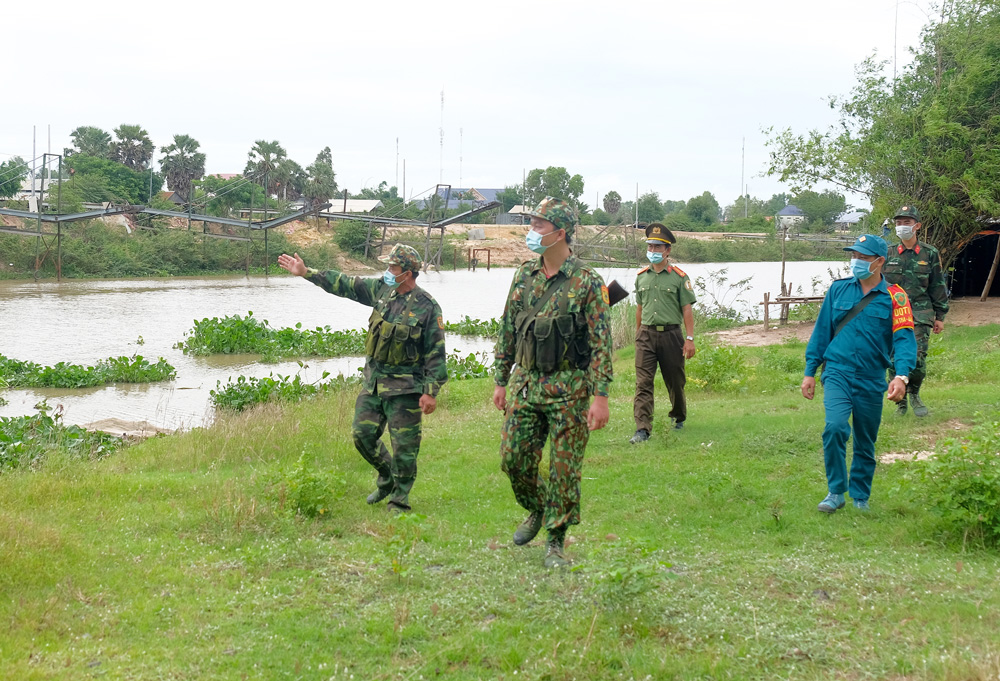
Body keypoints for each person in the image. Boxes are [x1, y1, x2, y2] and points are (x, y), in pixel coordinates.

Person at [277, 244, 447, 513]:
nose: (388, 272)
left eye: (394, 268)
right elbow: (344, 284)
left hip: (406, 389)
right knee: (362, 435)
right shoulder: (380, 290)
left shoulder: (427, 307)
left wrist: (431, 391)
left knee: (405, 448)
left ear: (409, 272)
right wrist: (307, 272)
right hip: (374, 384)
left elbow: (436, 353)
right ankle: (388, 476)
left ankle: (399, 500)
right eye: (388, 266)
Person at [492, 196, 613, 568]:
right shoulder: (523, 276)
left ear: (560, 233)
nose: (531, 231)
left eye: (538, 225)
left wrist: (601, 395)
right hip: (526, 385)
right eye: (532, 223)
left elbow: (601, 343)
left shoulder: (587, 281)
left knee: (564, 468)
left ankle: (556, 541)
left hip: (570, 389)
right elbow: (508, 328)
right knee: (514, 459)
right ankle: (537, 507)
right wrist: (501, 378)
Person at [802, 234, 917, 513]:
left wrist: (901, 376)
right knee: (835, 427)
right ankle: (835, 492)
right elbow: (822, 333)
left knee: (866, 439)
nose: (856, 261)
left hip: (871, 376)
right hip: (837, 371)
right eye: (854, 255)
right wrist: (809, 371)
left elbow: (904, 339)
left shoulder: (896, 297)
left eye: (864, 257)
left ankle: (861, 495)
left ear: (879, 262)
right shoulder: (838, 290)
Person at [629, 223, 697, 444]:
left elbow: (686, 309)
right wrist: (638, 333)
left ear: (667, 251)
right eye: (650, 246)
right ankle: (642, 429)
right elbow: (640, 308)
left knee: (675, 381)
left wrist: (689, 339)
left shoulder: (679, 277)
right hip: (646, 336)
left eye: (658, 247)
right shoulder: (641, 277)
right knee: (643, 383)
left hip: (671, 336)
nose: (653, 251)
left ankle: (678, 416)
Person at [882, 205, 949, 417]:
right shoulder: (888, 252)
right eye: (899, 223)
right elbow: (880, 285)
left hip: (920, 313)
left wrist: (940, 316)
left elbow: (937, 285)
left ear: (917, 226)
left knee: (918, 358)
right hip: (893, 314)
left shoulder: (930, 253)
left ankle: (915, 393)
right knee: (893, 358)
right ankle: (899, 401)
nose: (902, 226)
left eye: (907, 222)